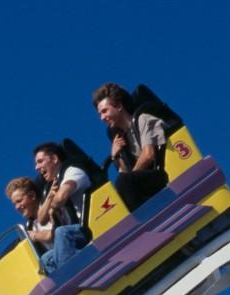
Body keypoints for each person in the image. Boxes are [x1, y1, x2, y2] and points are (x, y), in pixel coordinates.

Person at [93, 82, 168, 210]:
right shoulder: (120, 137)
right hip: (144, 183)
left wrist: (129, 178)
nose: (102, 118)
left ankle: (146, 217)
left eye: (105, 111)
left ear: (118, 106)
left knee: (123, 182)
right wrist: (116, 155)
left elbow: (149, 154)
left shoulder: (143, 119)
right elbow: (124, 172)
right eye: (100, 114)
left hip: (163, 176)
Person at [31, 143, 90, 273]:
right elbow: (41, 219)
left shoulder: (73, 171)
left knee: (61, 233)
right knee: (46, 258)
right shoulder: (51, 186)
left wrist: (52, 205)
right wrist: (50, 197)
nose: (37, 167)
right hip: (75, 234)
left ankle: (71, 275)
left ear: (54, 159)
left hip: (89, 225)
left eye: (40, 161)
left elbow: (61, 197)